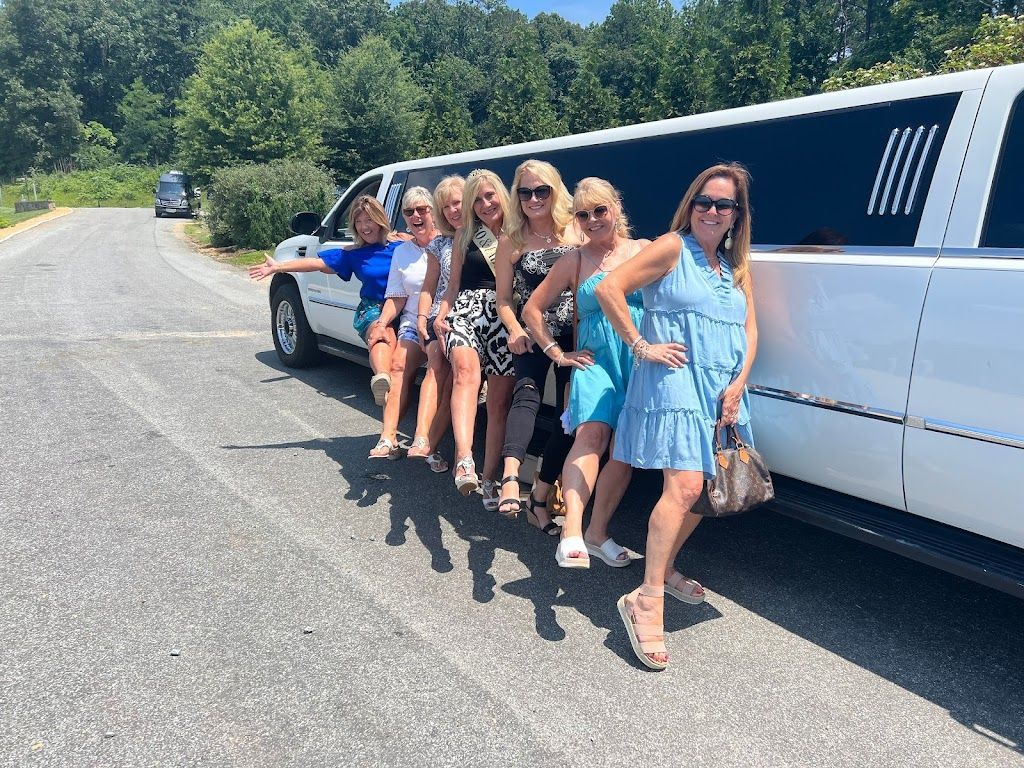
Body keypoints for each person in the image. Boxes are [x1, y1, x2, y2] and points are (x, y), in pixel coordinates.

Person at [596, 163, 758, 670]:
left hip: (720, 393)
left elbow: (751, 331)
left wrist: (738, 383)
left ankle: (661, 571)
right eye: (703, 202)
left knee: (704, 488)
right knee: (686, 486)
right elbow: (609, 289)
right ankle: (646, 598)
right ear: (691, 206)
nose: (712, 211)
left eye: (723, 205)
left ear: (737, 215)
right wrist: (641, 345)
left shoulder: (733, 268)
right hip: (674, 382)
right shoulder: (671, 247)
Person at [522, 178, 649, 567]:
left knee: (623, 452)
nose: (592, 220)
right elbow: (532, 309)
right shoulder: (574, 260)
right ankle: (572, 530)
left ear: (616, 208)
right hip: (594, 360)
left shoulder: (643, 250)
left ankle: (597, 532)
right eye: (583, 214)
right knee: (592, 433)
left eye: (600, 211)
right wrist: (556, 353)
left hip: (638, 358)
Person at [493, 159, 583, 532]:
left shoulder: (576, 229)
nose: (533, 198)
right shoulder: (510, 239)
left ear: (555, 190)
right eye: (525, 192)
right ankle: (511, 476)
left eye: (541, 190)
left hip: (574, 337)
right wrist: (514, 330)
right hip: (531, 333)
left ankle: (540, 496)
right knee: (526, 394)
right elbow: (503, 301)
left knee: (569, 419)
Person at [248, 195, 401, 405]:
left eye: (369, 220)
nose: (364, 227)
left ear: (380, 220)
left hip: (404, 307)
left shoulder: (401, 246)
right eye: (359, 222)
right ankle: (382, 379)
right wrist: (279, 267)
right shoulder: (353, 254)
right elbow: (316, 263)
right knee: (382, 334)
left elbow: (432, 240)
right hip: (373, 308)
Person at [434, 169, 514, 500]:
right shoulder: (465, 236)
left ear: (502, 195)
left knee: (497, 404)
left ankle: (491, 478)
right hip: (466, 310)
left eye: (490, 195)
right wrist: (440, 315)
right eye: (477, 199)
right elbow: (452, 286)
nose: (484, 204)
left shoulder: (519, 232)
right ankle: (464, 459)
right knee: (466, 375)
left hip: (506, 318)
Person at [368, 187, 440, 459]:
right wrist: (382, 323)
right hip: (411, 321)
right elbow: (396, 297)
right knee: (398, 366)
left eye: (422, 210)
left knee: (436, 366)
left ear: (434, 212)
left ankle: (422, 438)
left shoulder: (448, 243)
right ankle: (388, 437)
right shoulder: (402, 252)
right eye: (409, 212)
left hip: (441, 321)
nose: (416, 216)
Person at [406, 176, 465, 472]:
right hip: (437, 316)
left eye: (458, 202)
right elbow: (429, 287)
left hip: (469, 317)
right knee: (437, 366)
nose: (453, 210)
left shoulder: (491, 238)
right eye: (447, 206)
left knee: (457, 383)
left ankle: (432, 443)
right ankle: (420, 437)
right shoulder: (439, 243)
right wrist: (421, 319)